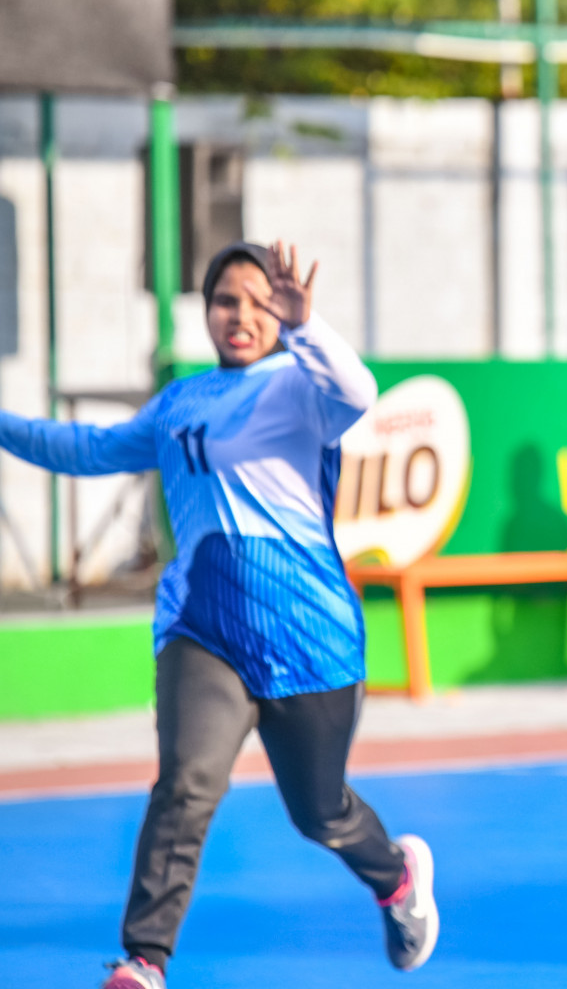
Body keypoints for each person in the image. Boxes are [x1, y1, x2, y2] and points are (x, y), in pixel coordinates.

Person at [0, 242, 439, 989]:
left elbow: (359, 390)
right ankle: (144, 959)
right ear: (205, 311)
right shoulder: (180, 402)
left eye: (257, 301)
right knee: (185, 782)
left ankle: (396, 876)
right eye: (224, 300)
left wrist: (307, 327)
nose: (240, 316)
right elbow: (90, 447)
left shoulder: (304, 387)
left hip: (309, 639)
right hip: (202, 630)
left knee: (319, 811)